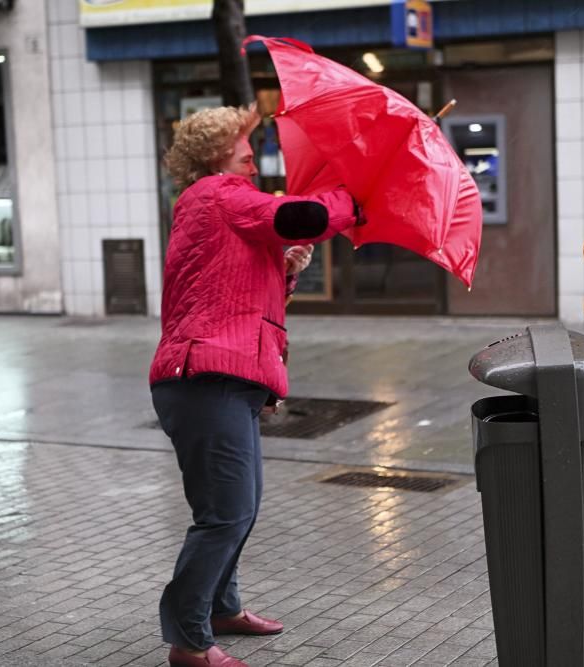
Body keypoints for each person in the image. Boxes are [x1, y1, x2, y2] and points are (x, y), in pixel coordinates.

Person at [150, 104, 364, 667]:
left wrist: (286, 270)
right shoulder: (217, 193)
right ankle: (189, 641)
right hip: (206, 378)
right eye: (244, 141)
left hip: (228, 378)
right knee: (222, 513)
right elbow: (300, 217)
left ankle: (222, 608)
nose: (253, 149)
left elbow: (239, 296)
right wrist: (353, 196)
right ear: (218, 151)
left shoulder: (221, 207)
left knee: (239, 508)